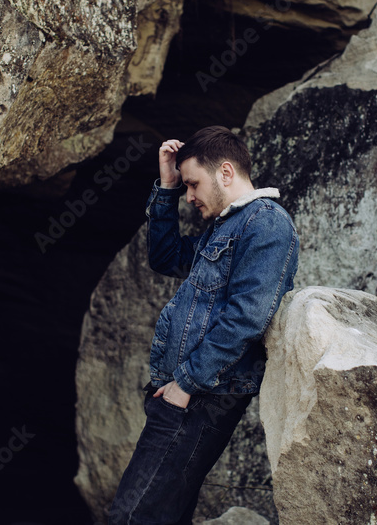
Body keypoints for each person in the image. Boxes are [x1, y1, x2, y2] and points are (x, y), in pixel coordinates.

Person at [108, 126, 300, 524]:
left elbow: (247, 318)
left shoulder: (266, 224)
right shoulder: (226, 227)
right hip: (184, 395)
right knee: (162, 515)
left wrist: (185, 385)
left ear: (225, 173)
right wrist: (167, 187)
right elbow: (164, 257)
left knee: (132, 517)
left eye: (193, 184)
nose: (189, 195)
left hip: (202, 397)